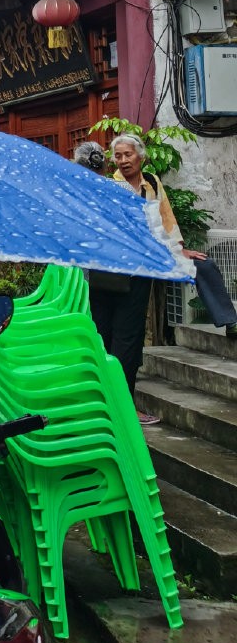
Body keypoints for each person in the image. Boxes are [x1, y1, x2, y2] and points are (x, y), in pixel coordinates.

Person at [87, 133, 204, 427]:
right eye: (118, 156)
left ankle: (123, 405)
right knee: (104, 336)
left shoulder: (151, 182)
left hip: (139, 273)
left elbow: (166, 218)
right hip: (108, 273)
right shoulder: (109, 185)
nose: (123, 160)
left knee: (128, 339)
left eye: (128, 154)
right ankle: (109, 405)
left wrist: (179, 249)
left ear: (141, 156)